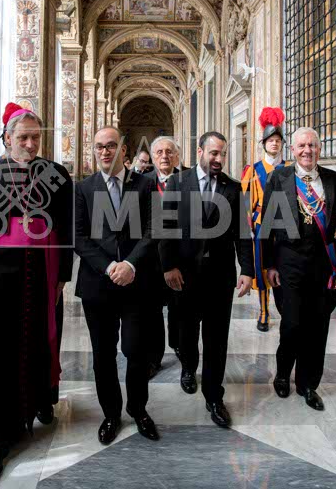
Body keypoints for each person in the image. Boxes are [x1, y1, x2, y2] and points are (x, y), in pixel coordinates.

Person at [0, 102, 73, 482]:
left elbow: (66, 228)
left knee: (42, 340)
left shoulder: (55, 174)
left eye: (35, 138)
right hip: (1, 279)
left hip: (43, 275)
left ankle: (41, 399)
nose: (30, 144)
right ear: (7, 139)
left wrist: (63, 275)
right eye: (23, 137)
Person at [159, 132, 254, 427]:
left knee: (217, 339)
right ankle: (188, 367)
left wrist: (247, 269)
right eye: (213, 153)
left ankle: (214, 396)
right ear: (200, 151)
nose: (218, 159)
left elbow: (242, 233)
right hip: (185, 276)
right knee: (187, 332)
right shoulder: (177, 183)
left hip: (220, 278)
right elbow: (165, 228)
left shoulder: (233, 188)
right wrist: (169, 267)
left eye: (222, 154)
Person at [74, 126, 159, 445]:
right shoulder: (83, 188)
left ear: (124, 150)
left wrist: (130, 264)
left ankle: (138, 409)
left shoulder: (145, 184)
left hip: (137, 282)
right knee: (103, 354)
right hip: (98, 284)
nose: (105, 151)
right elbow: (78, 237)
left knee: (137, 351)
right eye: (99, 147)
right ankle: (111, 414)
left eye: (111, 146)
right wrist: (110, 267)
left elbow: (153, 229)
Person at [262, 127, 336, 411]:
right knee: (292, 324)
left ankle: (308, 384)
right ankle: (282, 374)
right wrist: (268, 264)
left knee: (318, 327)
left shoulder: (334, 180)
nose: (307, 151)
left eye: (312, 145)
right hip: (289, 263)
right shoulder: (279, 178)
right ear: (292, 150)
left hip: (324, 266)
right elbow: (266, 224)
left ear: (319, 149)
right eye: (301, 146)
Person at [241, 107, 287, 332]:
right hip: (261, 224)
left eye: (278, 140)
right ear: (264, 144)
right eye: (271, 141)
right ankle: (264, 311)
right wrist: (248, 225)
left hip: (286, 225)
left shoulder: (290, 168)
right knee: (262, 268)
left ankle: (286, 309)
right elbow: (245, 202)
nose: (274, 144)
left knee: (285, 265)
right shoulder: (253, 170)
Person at [145, 136, 182, 378]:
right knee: (152, 311)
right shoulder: (142, 182)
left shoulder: (188, 180)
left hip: (180, 259)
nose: (164, 156)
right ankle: (153, 357)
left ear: (177, 155)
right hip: (150, 259)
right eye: (159, 152)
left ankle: (179, 345)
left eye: (169, 151)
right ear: (152, 156)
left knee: (180, 308)